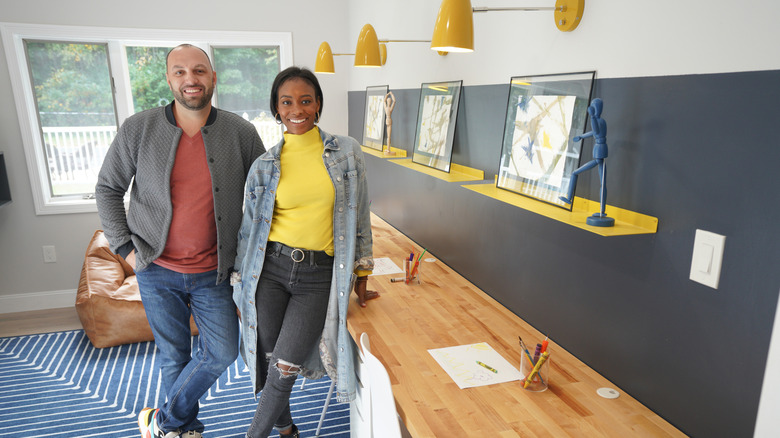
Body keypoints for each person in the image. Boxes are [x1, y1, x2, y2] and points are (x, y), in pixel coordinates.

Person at [95, 44, 265, 438]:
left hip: (215, 271)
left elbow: (266, 195)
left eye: (199, 71)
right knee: (173, 355)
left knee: (223, 352)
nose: (191, 79)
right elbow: (107, 188)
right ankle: (182, 429)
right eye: (180, 72)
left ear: (213, 78)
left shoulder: (240, 133)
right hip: (155, 268)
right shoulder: (139, 129)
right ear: (169, 79)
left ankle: (163, 420)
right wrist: (126, 251)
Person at [232, 66, 377, 438]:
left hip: (318, 276)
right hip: (270, 272)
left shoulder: (346, 153)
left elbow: (360, 216)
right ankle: (286, 429)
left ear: (317, 105)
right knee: (268, 359)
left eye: (306, 100)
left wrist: (362, 275)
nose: (297, 109)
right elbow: (248, 232)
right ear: (276, 109)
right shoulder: (263, 167)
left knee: (285, 367)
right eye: (287, 102)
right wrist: (241, 288)